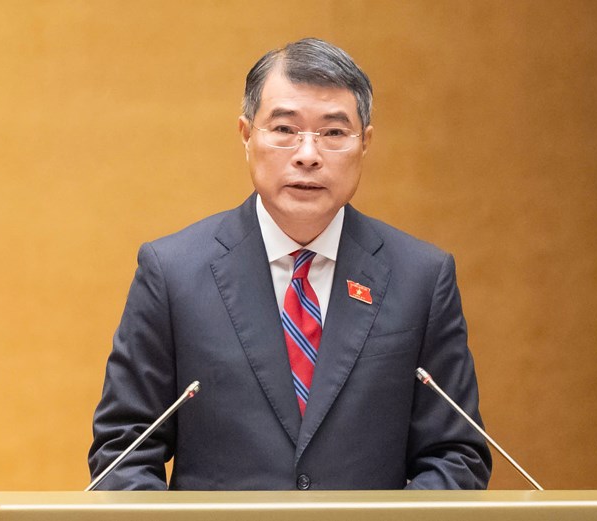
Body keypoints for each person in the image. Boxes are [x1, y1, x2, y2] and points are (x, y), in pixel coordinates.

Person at [88, 37, 491, 490]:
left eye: (333, 133)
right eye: (284, 129)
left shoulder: (421, 278)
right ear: (246, 136)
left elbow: (456, 455)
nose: (307, 154)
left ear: (365, 143)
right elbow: (122, 454)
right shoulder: (172, 273)